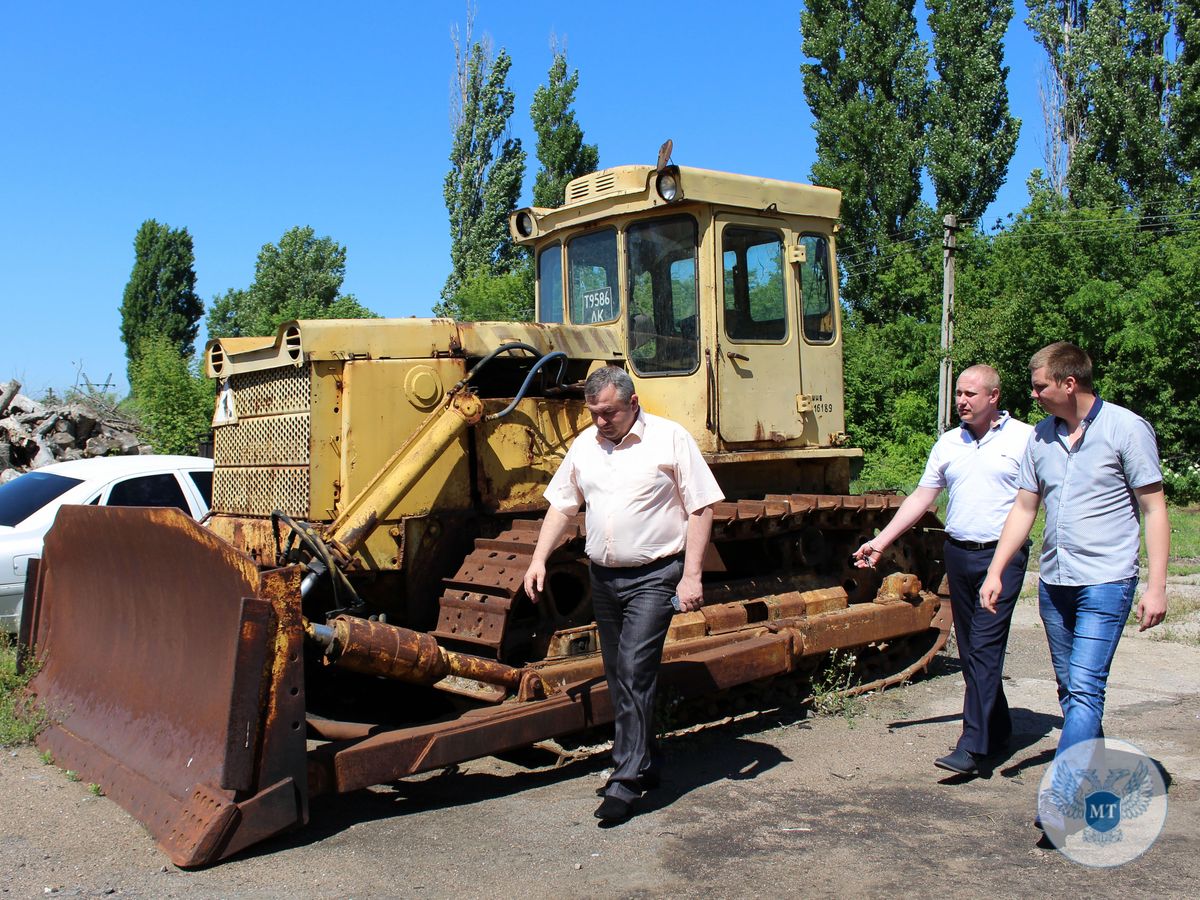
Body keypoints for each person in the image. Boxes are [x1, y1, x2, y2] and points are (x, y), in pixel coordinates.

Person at [522, 366, 724, 823]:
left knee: (634, 667)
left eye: (608, 412)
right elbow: (562, 505)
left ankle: (625, 779)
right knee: (618, 673)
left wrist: (692, 575)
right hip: (604, 577)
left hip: (656, 574)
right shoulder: (585, 445)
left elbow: (702, 506)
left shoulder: (670, 439)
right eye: (593, 413)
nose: (599, 422)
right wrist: (538, 559)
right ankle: (647, 759)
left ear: (633, 404)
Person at [981, 342, 1168, 762]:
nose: (1032, 394)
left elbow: (1154, 509)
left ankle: (1064, 791)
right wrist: (996, 570)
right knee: (1070, 686)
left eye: (1039, 386)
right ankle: (1093, 771)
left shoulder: (1126, 428)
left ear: (1069, 383)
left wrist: (1156, 587)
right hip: (1055, 582)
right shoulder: (1041, 436)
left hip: (1107, 581)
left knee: (1085, 688)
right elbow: (1025, 507)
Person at [852, 365, 1033, 776]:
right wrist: (881, 541)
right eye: (958, 393)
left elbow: (1037, 499)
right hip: (959, 553)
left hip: (1001, 558)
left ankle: (972, 747)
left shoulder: (1025, 439)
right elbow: (923, 497)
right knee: (971, 651)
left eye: (970, 393)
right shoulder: (950, 443)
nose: (961, 401)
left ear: (994, 397)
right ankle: (999, 726)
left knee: (985, 649)